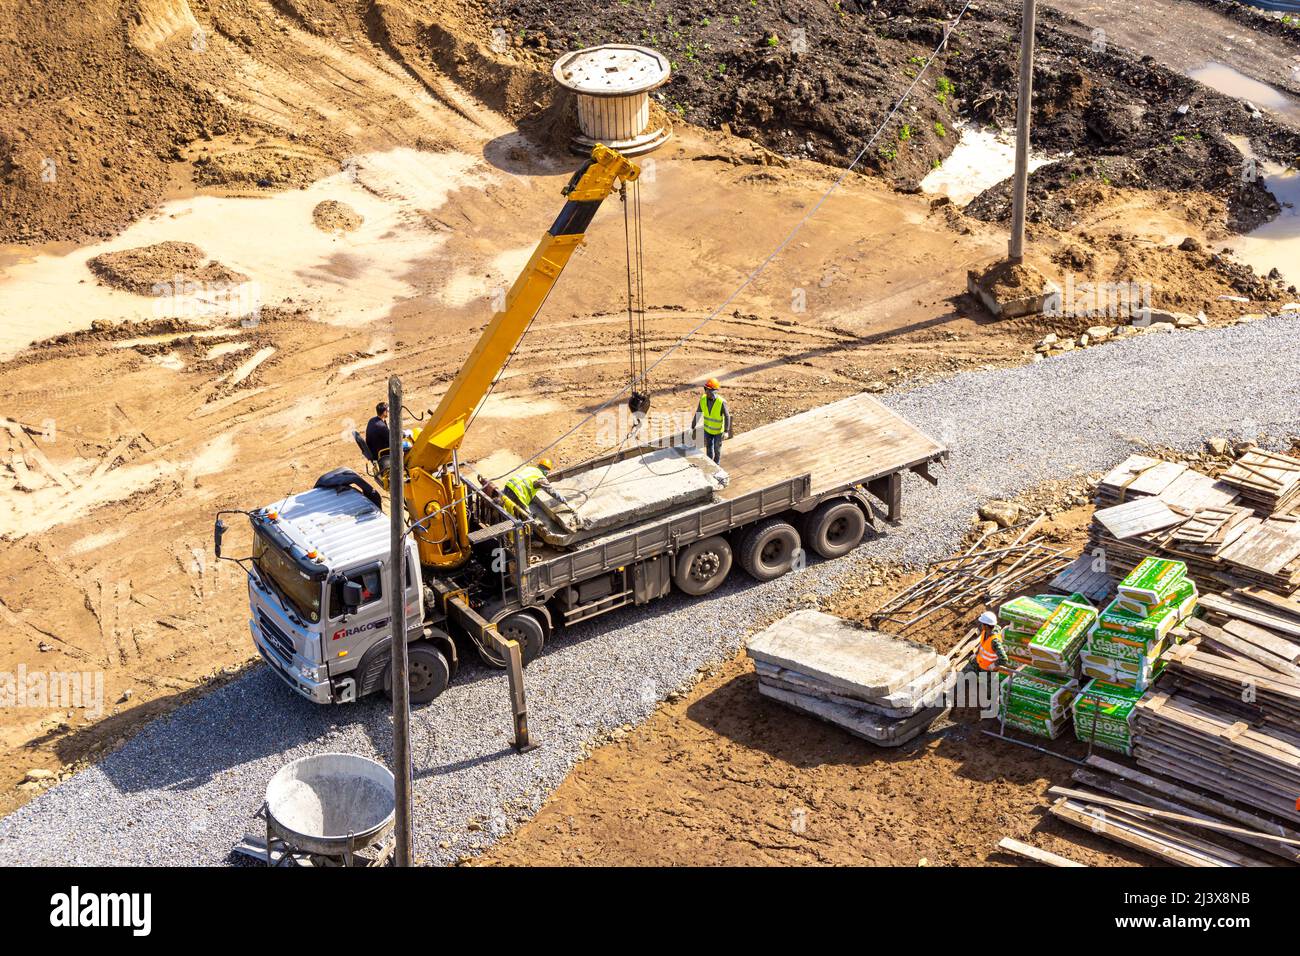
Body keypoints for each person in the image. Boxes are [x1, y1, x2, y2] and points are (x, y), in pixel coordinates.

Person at [501, 458, 567, 520]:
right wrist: (563, 500)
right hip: (518, 495)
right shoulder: (541, 478)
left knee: (505, 505)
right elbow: (552, 491)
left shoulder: (530, 468)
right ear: (546, 471)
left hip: (508, 487)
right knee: (527, 517)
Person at [691, 377, 731, 464]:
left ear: (715, 391)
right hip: (707, 430)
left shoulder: (721, 402)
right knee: (709, 448)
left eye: (709, 390)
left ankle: (717, 465)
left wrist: (726, 431)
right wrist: (692, 426)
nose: (707, 392)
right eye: (706, 389)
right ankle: (710, 464)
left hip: (718, 432)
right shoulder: (703, 399)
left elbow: (727, 416)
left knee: (717, 449)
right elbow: (698, 413)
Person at [365, 402, 391, 469]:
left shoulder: (372, 420)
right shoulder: (381, 427)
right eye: (388, 410)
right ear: (384, 412)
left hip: (374, 451)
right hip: (382, 453)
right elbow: (392, 440)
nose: (389, 412)